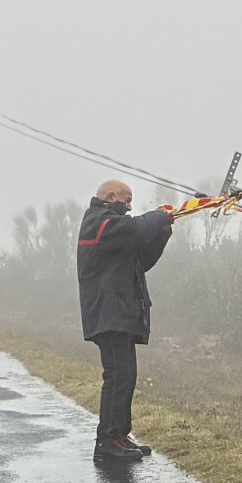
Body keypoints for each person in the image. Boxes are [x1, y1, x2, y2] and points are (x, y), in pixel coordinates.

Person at [74, 178, 173, 464]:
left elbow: (142, 259)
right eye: (127, 201)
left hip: (120, 314)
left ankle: (119, 434)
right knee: (117, 376)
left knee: (125, 376)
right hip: (109, 313)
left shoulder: (115, 229)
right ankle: (107, 440)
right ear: (110, 197)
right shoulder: (98, 222)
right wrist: (159, 215)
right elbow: (134, 228)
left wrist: (162, 232)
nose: (130, 207)